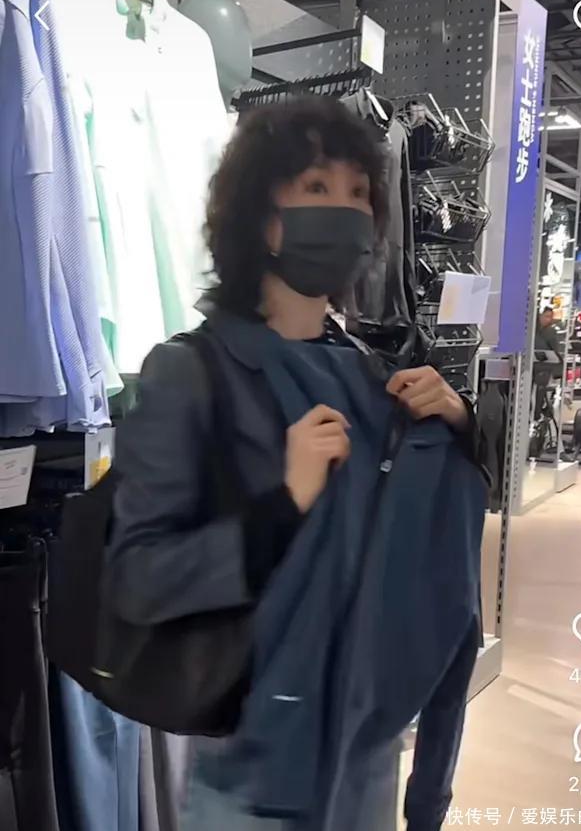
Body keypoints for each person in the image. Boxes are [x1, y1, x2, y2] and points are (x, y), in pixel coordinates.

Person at [106, 97, 485, 831]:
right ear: (262, 215)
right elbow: (138, 580)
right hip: (252, 782)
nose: (345, 209)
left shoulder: (378, 380)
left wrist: (461, 424)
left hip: (367, 763)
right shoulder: (192, 373)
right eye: (316, 186)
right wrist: (281, 506)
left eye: (359, 191)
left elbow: (441, 562)